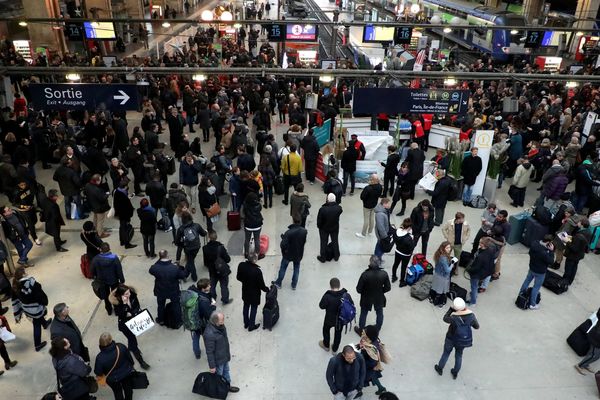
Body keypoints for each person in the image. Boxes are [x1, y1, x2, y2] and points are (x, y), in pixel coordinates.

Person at [434, 297, 480, 379]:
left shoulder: (453, 318)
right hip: (462, 341)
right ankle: (455, 372)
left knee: (446, 353)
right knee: (459, 355)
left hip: (450, 338)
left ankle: (440, 368)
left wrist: (451, 310)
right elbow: (477, 327)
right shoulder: (471, 316)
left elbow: (445, 318)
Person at [109, 285, 150, 370]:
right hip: (125, 325)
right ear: (121, 295)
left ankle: (130, 347)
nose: (129, 294)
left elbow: (137, 306)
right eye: (126, 293)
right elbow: (119, 314)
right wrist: (124, 305)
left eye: (129, 292)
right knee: (133, 340)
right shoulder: (117, 302)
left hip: (135, 321)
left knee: (131, 338)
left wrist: (132, 313)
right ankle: (141, 360)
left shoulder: (133, 295)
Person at [11, 266, 52, 351]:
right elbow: (39, 295)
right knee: (36, 325)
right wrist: (44, 302)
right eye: (24, 271)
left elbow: (15, 299)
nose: (26, 272)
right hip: (36, 308)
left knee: (38, 318)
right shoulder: (31, 283)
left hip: (27, 308)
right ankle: (37, 345)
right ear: (23, 274)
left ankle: (44, 324)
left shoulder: (15, 285)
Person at [149, 249, 189, 326]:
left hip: (160, 290)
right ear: (167, 255)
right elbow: (183, 275)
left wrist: (159, 261)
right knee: (176, 305)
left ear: (160, 257)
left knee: (160, 305)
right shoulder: (174, 268)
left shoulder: (155, 267)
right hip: (173, 290)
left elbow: (151, 270)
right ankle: (178, 322)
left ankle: (161, 320)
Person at [203, 312, 240, 393]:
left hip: (224, 356)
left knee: (226, 371)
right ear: (216, 321)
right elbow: (209, 352)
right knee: (219, 377)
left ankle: (227, 386)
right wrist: (212, 366)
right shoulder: (209, 334)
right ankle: (219, 391)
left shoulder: (221, 326)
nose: (223, 320)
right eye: (222, 320)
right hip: (218, 360)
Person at [355, 256, 391, 334]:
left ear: (370, 263)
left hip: (366, 298)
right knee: (379, 312)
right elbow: (388, 288)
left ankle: (361, 330)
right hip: (379, 297)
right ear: (379, 263)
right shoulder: (384, 274)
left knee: (364, 313)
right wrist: (381, 291)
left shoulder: (365, 274)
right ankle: (378, 328)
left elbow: (358, 289)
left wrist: (364, 292)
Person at [94, 332, 136, 400]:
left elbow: (98, 372)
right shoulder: (121, 347)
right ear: (111, 340)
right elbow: (130, 359)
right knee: (128, 388)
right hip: (126, 373)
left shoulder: (100, 358)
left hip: (113, 379)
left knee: (117, 392)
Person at [518, 234, 554, 310]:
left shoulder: (534, 243)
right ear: (548, 242)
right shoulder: (544, 252)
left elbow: (530, 253)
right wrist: (551, 251)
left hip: (532, 268)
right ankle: (532, 304)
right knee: (536, 287)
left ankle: (521, 294)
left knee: (527, 281)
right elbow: (551, 261)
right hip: (540, 272)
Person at [319, 278, 353, 354]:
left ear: (330, 286)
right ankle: (334, 349)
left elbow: (321, 306)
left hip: (329, 319)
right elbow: (351, 304)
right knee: (338, 334)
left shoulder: (327, 296)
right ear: (339, 285)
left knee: (326, 330)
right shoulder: (346, 295)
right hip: (341, 320)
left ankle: (326, 345)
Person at [273, 217, 308, 290]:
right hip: (298, 254)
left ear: (293, 221)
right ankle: (294, 285)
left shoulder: (288, 232)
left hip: (288, 254)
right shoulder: (304, 231)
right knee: (296, 268)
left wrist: (284, 242)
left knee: (283, 268)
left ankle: (278, 283)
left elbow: (283, 245)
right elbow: (303, 241)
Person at [236, 253, 269, 331]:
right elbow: (261, 285)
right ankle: (251, 325)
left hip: (245, 291)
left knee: (246, 306)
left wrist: (245, 281)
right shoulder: (257, 271)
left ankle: (246, 323)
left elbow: (238, 277)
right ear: (254, 260)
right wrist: (267, 289)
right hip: (254, 293)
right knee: (254, 308)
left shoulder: (241, 265)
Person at [91, 243, 125, 316]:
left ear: (101, 250)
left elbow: (92, 271)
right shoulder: (114, 258)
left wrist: (94, 276)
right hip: (114, 280)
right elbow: (119, 270)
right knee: (115, 295)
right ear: (109, 249)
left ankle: (109, 310)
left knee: (106, 297)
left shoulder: (96, 259)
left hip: (102, 281)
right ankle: (117, 311)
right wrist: (122, 280)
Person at [187, 278, 216, 359]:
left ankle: (197, 353)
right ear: (203, 289)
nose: (210, 286)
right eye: (208, 286)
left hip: (192, 320)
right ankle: (210, 353)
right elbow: (208, 314)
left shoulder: (193, 293)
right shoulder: (203, 300)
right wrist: (213, 306)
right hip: (201, 322)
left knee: (196, 336)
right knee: (206, 338)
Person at [202, 230, 233, 304]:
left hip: (212, 270)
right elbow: (228, 259)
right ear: (216, 237)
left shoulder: (205, 248)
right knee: (224, 285)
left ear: (209, 237)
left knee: (212, 285)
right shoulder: (220, 247)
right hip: (222, 270)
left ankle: (213, 298)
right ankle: (225, 300)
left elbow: (205, 261)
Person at [176, 211, 207, 282]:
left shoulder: (181, 229)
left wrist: (182, 244)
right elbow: (203, 234)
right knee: (191, 260)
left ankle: (193, 276)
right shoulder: (197, 225)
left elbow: (177, 241)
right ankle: (186, 274)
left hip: (187, 248)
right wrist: (205, 231)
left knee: (191, 261)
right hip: (196, 246)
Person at [358, 325, 388, 395]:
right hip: (371, 367)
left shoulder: (371, 349)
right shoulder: (371, 340)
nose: (362, 333)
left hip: (368, 367)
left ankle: (359, 391)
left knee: (360, 379)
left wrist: (361, 362)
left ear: (369, 335)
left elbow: (372, 362)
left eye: (364, 332)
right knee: (374, 377)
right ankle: (381, 388)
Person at [466, 237, 496, 306]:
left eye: (480, 242)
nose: (479, 243)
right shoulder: (490, 251)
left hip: (477, 275)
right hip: (484, 273)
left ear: (483, 244)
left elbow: (475, 268)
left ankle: (473, 302)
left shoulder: (480, 257)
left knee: (474, 287)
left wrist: (469, 270)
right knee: (475, 286)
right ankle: (474, 294)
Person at [563, 217, 592, 286]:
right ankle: (570, 281)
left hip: (573, 255)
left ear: (582, 224)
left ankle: (564, 282)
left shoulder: (579, 235)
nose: (578, 223)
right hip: (580, 254)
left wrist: (567, 241)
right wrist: (572, 238)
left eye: (579, 222)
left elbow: (574, 248)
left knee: (568, 268)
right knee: (574, 267)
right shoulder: (588, 232)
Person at [317, 193, 343, 263]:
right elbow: (340, 211)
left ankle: (323, 257)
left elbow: (319, 221)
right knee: (335, 241)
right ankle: (336, 256)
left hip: (324, 229)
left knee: (323, 242)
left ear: (327, 200)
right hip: (334, 227)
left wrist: (319, 227)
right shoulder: (339, 208)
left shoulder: (322, 209)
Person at [391, 218, 416, 286]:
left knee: (395, 264)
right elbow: (411, 248)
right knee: (403, 267)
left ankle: (394, 276)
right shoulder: (408, 238)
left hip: (397, 251)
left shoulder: (396, 231)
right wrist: (412, 239)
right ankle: (401, 281)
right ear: (409, 227)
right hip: (405, 255)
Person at [113, 179, 136, 249]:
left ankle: (122, 241)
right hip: (124, 214)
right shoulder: (122, 195)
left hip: (120, 213)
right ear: (125, 187)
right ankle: (127, 244)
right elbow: (127, 206)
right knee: (125, 229)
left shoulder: (116, 191)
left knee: (122, 227)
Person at [431, 241, 454, 306]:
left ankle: (432, 298)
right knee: (441, 290)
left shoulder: (438, 254)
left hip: (437, 274)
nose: (449, 249)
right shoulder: (443, 258)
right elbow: (447, 270)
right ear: (443, 248)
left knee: (435, 287)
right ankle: (438, 302)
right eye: (447, 248)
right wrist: (452, 264)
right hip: (443, 276)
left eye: (449, 247)